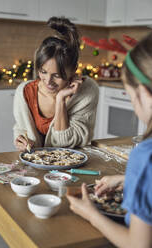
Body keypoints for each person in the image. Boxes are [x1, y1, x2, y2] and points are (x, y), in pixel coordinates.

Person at [67, 32, 152, 248]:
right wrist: (127, 180)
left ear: (143, 92)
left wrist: (91, 215)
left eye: (129, 94)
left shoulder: (145, 156)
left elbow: (138, 245)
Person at [13, 16, 99, 152]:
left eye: (57, 75)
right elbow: (20, 128)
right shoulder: (24, 92)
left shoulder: (87, 91)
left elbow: (64, 143)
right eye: (43, 72)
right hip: (34, 165)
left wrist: (60, 101)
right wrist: (20, 140)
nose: (48, 81)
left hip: (70, 165)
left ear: (74, 69)